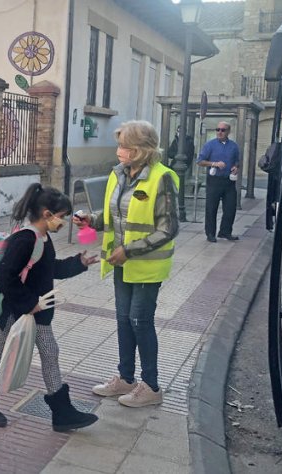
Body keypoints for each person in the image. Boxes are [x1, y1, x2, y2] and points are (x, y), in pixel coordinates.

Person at [0, 183, 99, 432]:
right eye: (61, 217)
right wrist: (30, 304)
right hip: (20, 312)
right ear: (47, 214)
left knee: (47, 352)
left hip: (33, 311)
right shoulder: (25, 239)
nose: (64, 222)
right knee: (17, 352)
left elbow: (51, 269)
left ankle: (59, 411)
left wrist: (79, 263)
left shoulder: (42, 237)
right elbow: (6, 276)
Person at [74, 120, 179, 408]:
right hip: (122, 263)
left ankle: (152, 386)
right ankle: (125, 378)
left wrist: (129, 250)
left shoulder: (162, 178)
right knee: (123, 320)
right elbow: (114, 216)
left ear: (140, 151)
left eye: (124, 146)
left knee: (139, 321)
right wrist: (90, 220)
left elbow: (168, 228)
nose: (119, 150)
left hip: (146, 265)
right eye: (119, 145)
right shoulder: (118, 174)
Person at [197, 121, 240, 242]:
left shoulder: (234, 146)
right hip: (214, 180)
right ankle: (210, 233)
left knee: (231, 207)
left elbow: (237, 161)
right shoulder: (209, 145)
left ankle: (225, 232)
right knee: (211, 208)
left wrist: (236, 167)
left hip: (229, 181)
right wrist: (214, 164)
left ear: (228, 132)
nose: (220, 132)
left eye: (223, 130)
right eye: (218, 129)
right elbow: (200, 161)